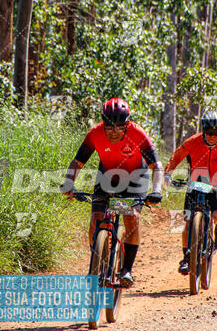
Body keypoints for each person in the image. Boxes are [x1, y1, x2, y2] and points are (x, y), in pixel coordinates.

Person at [61, 98, 163, 288]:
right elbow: (78, 162)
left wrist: (156, 189)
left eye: (119, 127)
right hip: (107, 176)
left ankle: (127, 270)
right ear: (103, 123)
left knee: (131, 217)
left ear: (127, 124)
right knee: (96, 218)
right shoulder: (95, 134)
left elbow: (156, 166)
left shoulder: (137, 133)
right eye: (109, 126)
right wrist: (68, 182)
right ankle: (97, 263)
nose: (114, 131)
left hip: (135, 177)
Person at [164, 110, 217, 274]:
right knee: (187, 222)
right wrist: (167, 174)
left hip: (216, 186)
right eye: (209, 133)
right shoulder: (193, 141)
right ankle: (187, 257)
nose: (212, 137)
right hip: (195, 185)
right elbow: (176, 157)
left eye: (216, 134)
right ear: (203, 130)